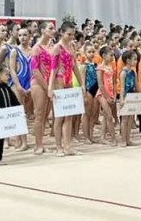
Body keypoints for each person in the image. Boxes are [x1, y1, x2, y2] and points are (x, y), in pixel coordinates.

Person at [48, 22, 85, 156]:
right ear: (62, 33)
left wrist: (81, 84)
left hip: (69, 83)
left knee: (69, 116)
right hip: (59, 83)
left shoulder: (71, 47)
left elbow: (74, 66)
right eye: (69, 34)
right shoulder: (57, 48)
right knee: (59, 117)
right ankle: (59, 147)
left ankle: (68, 146)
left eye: (73, 34)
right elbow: (53, 69)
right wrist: (50, 87)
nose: (71, 37)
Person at [30, 21, 55, 154]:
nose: (53, 31)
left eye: (53, 28)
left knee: (45, 116)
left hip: (49, 83)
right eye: (50, 28)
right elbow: (35, 70)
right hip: (38, 83)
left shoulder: (52, 47)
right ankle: (38, 145)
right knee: (39, 115)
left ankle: (41, 143)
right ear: (43, 31)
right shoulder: (36, 48)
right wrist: (47, 88)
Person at [9, 27, 33, 151]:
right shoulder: (15, 51)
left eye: (24, 35)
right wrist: (18, 86)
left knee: (27, 113)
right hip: (17, 83)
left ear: (29, 36)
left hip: (30, 84)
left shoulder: (33, 51)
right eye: (20, 35)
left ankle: (21, 139)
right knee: (19, 113)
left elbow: (35, 69)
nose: (22, 38)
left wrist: (32, 86)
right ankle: (22, 141)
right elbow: (12, 70)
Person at [96, 46, 118, 146]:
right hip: (102, 94)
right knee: (109, 116)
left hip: (110, 93)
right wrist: (107, 97)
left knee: (106, 116)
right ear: (104, 56)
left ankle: (102, 137)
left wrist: (114, 94)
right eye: (111, 55)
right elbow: (100, 84)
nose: (112, 57)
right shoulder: (100, 68)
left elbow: (113, 82)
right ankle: (113, 139)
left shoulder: (110, 67)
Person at [118, 50, 139, 147]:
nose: (136, 61)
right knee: (124, 119)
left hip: (132, 95)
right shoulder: (123, 73)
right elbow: (122, 87)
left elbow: (136, 85)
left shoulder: (133, 72)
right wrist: (121, 99)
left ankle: (128, 139)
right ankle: (123, 140)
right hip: (126, 96)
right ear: (128, 60)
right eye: (134, 59)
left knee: (131, 118)